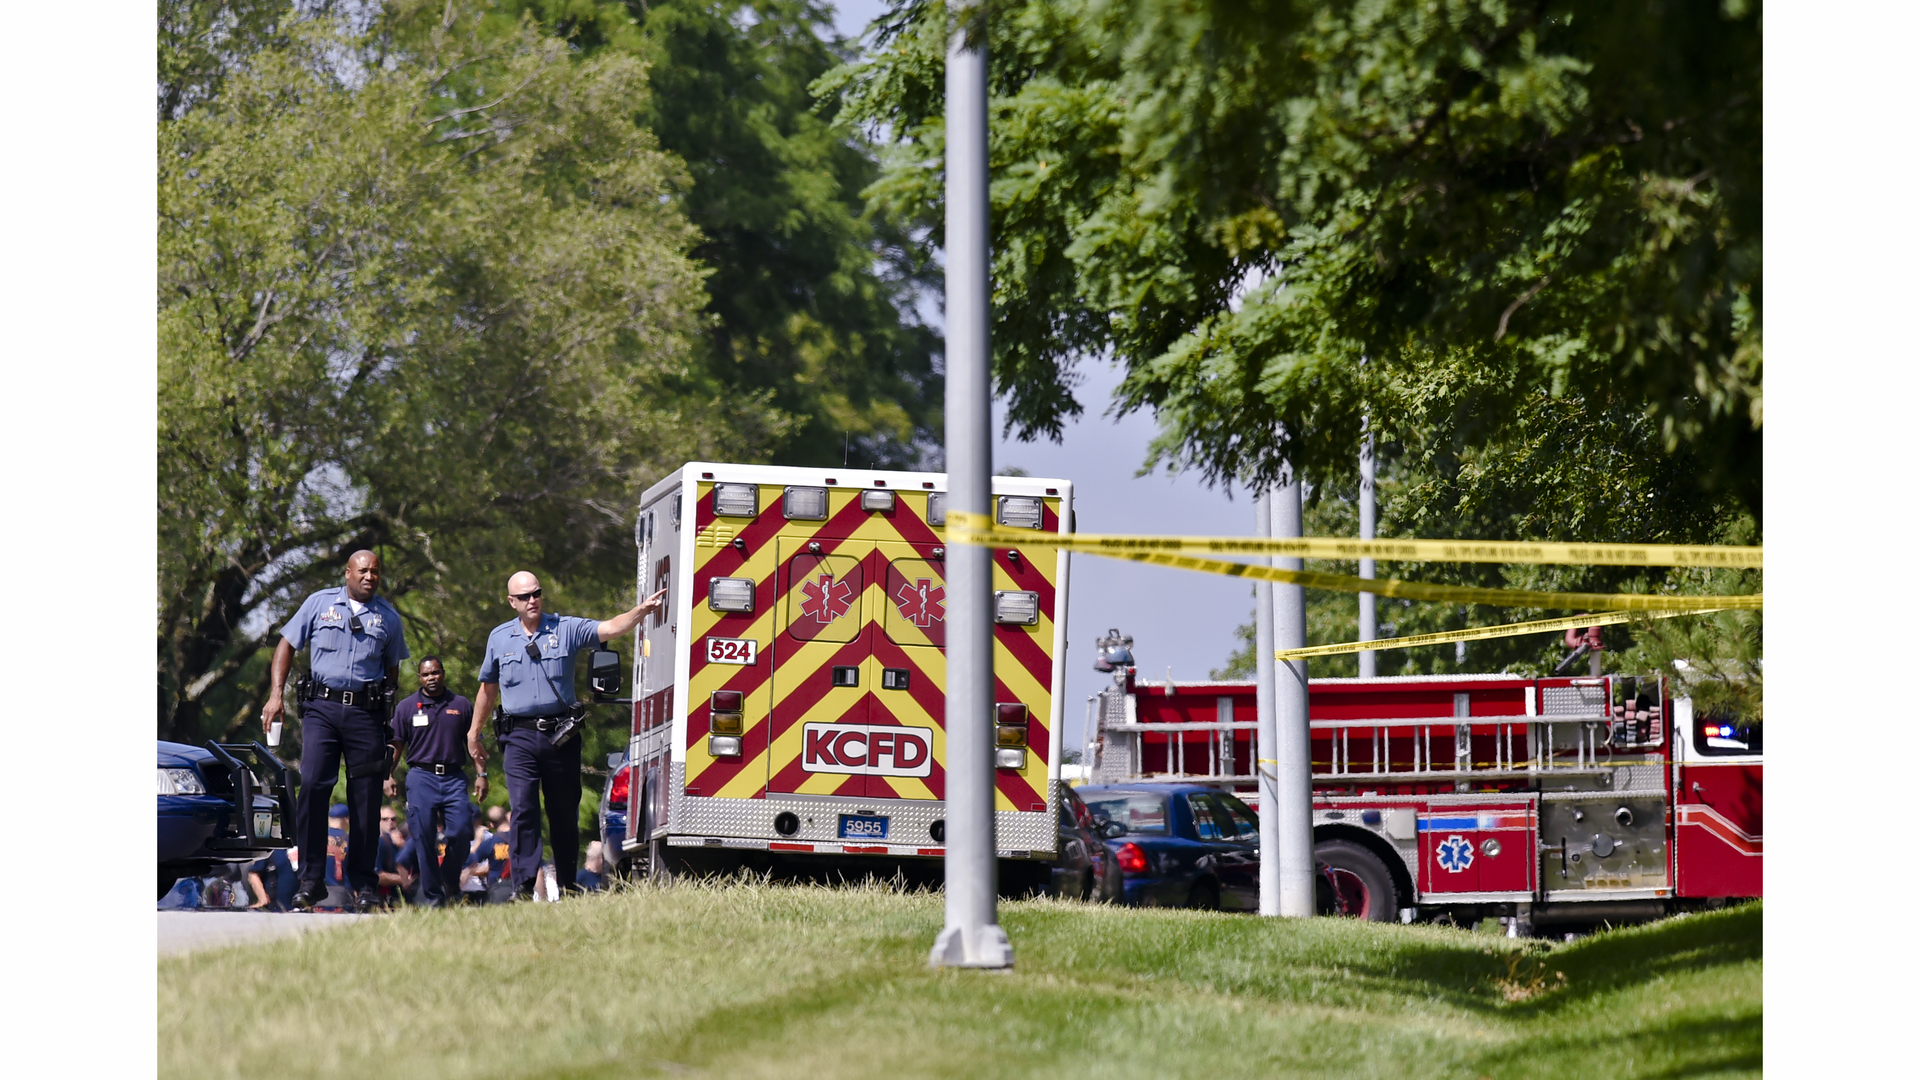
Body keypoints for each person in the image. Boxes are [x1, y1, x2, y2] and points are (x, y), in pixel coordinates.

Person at [470, 573, 664, 901]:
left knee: (563, 812)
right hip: (518, 736)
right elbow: (487, 689)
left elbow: (610, 627)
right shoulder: (499, 638)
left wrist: (640, 611)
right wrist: (474, 732)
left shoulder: (565, 628)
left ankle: (568, 886)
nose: (532, 600)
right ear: (512, 602)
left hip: (560, 736)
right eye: (525, 596)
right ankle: (523, 884)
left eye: (537, 593)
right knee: (524, 808)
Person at [263, 550, 410, 912]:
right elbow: (287, 645)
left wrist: (387, 724)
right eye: (363, 570)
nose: (369, 577)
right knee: (313, 784)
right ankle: (310, 881)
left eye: (375, 571)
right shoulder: (319, 604)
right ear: (347, 573)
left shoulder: (388, 617)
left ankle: (364, 884)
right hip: (322, 709)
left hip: (365, 714)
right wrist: (276, 694)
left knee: (365, 800)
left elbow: (392, 675)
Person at [386, 656, 481, 908]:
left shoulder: (460, 705)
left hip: (453, 777)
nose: (431, 678)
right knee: (423, 837)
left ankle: (449, 876)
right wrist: (388, 774)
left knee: (461, 831)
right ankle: (434, 898)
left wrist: (481, 775)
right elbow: (396, 744)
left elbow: (474, 744)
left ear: (443, 673)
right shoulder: (407, 707)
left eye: (436, 673)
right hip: (421, 776)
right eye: (426, 674)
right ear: (420, 677)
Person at [248, 847, 297, 912]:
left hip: (301, 909)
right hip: (273, 909)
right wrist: (262, 898)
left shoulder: (305, 850)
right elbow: (253, 875)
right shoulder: (270, 850)